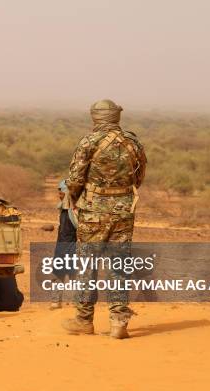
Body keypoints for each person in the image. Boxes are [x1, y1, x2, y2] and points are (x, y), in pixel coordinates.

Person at [61, 99, 147, 339]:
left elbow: (75, 179)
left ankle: (83, 319)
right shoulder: (133, 142)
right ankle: (119, 321)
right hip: (124, 211)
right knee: (118, 264)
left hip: (93, 212)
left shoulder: (88, 141)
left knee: (87, 264)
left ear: (95, 117)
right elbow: (139, 177)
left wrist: (77, 200)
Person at [49, 180, 77, 310]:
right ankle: (56, 301)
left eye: (60, 191)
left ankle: (78, 303)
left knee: (75, 275)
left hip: (74, 246)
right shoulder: (64, 209)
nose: (59, 194)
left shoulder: (75, 209)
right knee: (57, 273)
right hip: (61, 246)